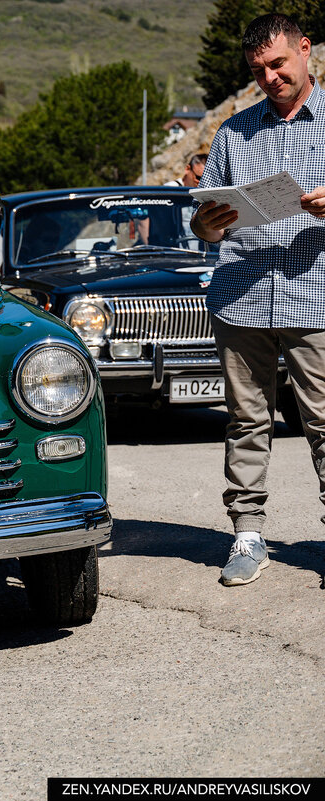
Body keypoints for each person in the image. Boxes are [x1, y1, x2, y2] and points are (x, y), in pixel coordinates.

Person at [190, 13, 325, 586]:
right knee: (246, 421)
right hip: (242, 299)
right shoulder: (233, 132)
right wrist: (210, 223)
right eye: (258, 70)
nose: (269, 77)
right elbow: (204, 227)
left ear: (306, 50)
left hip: (316, 298)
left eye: (278, 64)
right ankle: (247, 534)